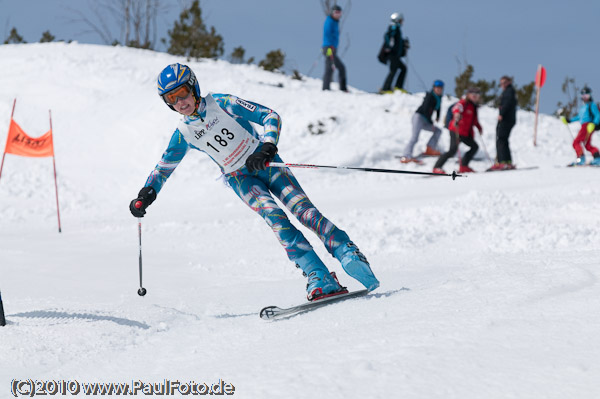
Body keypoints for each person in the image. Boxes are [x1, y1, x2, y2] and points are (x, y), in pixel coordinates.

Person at [129, 63, 379, 301]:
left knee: (304, 212)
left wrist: (268, 147)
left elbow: (270, 116)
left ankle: (347, 251)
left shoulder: (222, 103)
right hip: (240, 179)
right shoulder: (183, 133)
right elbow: (164, 168)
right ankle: (319, 276)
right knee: (279, 223)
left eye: (182, 93)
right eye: (170, 99)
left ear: (194, 87)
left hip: (267, 164)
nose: (179, 102)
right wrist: (147, 193)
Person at [433, 87, 483, 174]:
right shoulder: (464, 102)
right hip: (456, 129)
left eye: (476, 94)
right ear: (468, 95)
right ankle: (437, 167)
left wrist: (479, 128)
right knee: (452, 150)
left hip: (466, 133)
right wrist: (456, 114)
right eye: (472, 94)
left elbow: (474, 121)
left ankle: (464, 166)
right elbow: (457, 107)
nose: (474, 96)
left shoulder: (474, 107)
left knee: (474, 147)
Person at [399, 80, 444, 163]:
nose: (439, 90)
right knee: (415, 137)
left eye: (440, 88)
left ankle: (430, 148)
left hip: (425, 120)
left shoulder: (439, 98)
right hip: (419, 117)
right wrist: (431, 122)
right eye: (437, 88)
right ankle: (406, 155)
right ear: (434, 88)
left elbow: (438, 108)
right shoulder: (430, 96)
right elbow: (425, 109)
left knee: (438, 131)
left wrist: (438, 117)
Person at [560, 86, 600, 166]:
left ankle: (581, 159)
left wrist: (594, 124)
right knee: (587, 144)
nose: (585, 97)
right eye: (583, 95)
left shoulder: (591, 105)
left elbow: (597, 115)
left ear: (590, 95)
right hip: (585, 126)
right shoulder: (583, 107)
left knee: (576, 142)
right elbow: (579, 117)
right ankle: (597, 158)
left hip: (588, 126)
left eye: (587, 95)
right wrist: (570, 120)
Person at [490, 76, 517, 170]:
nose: (502, 85)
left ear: (509, 82)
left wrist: (502, 114)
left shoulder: (509, 92)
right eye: (501, 83)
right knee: (504, 139)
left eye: (504, 82)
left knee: (500, 139)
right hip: (509, 119)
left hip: (506, 119)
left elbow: (507, 104)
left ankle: (502, 161)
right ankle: (507, 161)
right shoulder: (509, 91)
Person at [380, 12, 408, 93]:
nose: (402, 22)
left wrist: (404, 44)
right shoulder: (394, 27)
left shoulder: (397, 29)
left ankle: (397, 87)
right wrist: (389, 46)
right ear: (397, 20)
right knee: (394, 70)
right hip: (392, 54)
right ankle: (386, 88)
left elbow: (397, 42)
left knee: (402, 68)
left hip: (396, 54)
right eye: (401, 20)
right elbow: (388, 36)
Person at [322, 5, 347, 92]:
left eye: (339, 13)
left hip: (332, 48)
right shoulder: (330, 21)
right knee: (331, 67)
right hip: (329, 48)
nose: (338, 15)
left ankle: (328, 87)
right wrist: (330, 46)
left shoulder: (335, 22)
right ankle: (326, 88)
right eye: (336, 13)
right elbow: (328, 34)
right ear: (332, 12)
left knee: (335, 67)